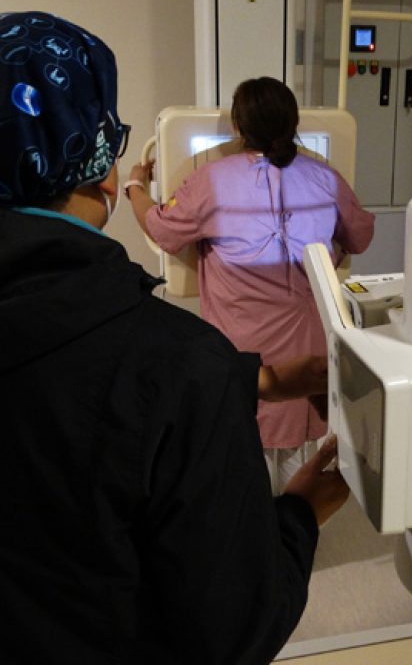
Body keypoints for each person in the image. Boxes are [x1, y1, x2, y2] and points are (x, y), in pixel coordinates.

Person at [0, 11, 349, 664]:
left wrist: (245, 377)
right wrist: (299, 515)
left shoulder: (210, 187)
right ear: (98, 165)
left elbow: (161, 233)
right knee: (282, 457)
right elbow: (231, 630)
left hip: (239, 339)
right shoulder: (181, 363)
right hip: (296, 336)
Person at [126, 76, 375, 492]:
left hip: (244, 354)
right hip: (309, 353)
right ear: (293, 124)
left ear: (238, 127)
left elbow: (162, 229)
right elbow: (361, 237)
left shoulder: (211, 180)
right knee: (302, 467)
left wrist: (135, 185)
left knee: (244, 469)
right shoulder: (325, 178)